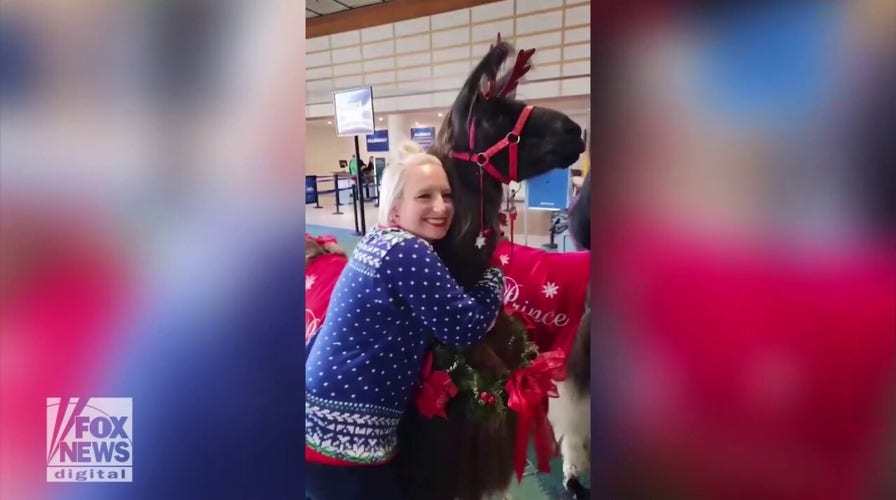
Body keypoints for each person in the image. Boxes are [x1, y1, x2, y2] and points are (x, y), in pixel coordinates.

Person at [304, 142, 505, 500]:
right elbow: (466, 326)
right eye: (424, 196)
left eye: (446, 194)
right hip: (346, 437)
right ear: (395, 209)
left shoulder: (378, 241)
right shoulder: (405, 250)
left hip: (321, 419)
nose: (441, 207)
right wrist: (494, 278)